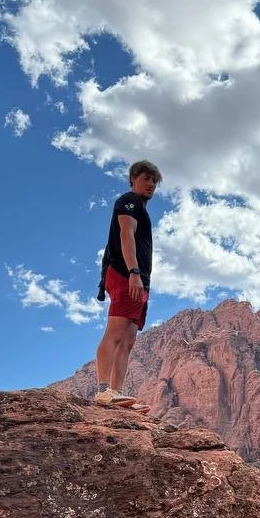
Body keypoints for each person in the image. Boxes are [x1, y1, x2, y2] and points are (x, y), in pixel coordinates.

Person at [95, 159, 162, 410]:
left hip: (139, 280)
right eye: (147, 178)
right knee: (116, 330)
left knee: (129, 337)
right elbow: (126, 234)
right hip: (125, 273)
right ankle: (103, 391)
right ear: (133, 179)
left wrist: (140, 277)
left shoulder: (141, 208)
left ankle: (116, 393)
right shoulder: (129, 201)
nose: (151, 184)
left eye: (154, 181)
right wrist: (133, 271)